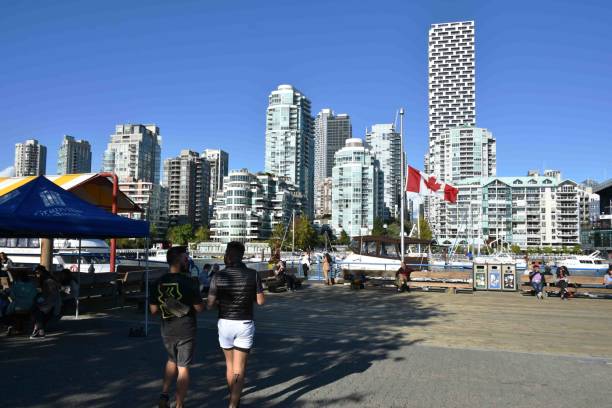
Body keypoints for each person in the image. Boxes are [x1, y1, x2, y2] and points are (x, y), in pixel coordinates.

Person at [207, 241, 265, 408]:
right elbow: (260, 301)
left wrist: (220, 299)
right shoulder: (253, 274)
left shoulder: (218, 276)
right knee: (239, 368)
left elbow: (210, 304)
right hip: (244, 323)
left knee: (230, 365)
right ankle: (233, 404)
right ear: (242, 255)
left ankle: (233, 395)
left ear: (228, 256)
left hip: (225, 323)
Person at [149, 246, 204, 408]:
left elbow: (153, 310)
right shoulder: (190, 282)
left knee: (171, 360)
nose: (188, 260)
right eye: (186, 258)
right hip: (186, 330)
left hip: (167, 330)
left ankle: (164, 395)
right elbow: (200, 308)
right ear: (180, 261)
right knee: (183, 367)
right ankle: (179, 404)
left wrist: (168, 306)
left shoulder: (158, 282)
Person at [31, 265, 62, 339]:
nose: (36, 275)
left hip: (52, 303)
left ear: (41, 272)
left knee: (37, 311)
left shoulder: (48, 281)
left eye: (37, 273)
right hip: (51, 302)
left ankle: (39, 330)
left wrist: (41, 301)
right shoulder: (48, 280)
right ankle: (39, 330)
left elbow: (51, 295)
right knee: (36, 309)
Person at [3, 270, 38, 336]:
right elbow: (35, 295)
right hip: (29, 305)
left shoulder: (16, 284)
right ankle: (21, 327)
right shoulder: (32, 285)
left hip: (17, 305)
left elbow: (12, 296)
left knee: (7, 310)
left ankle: (10, 326)